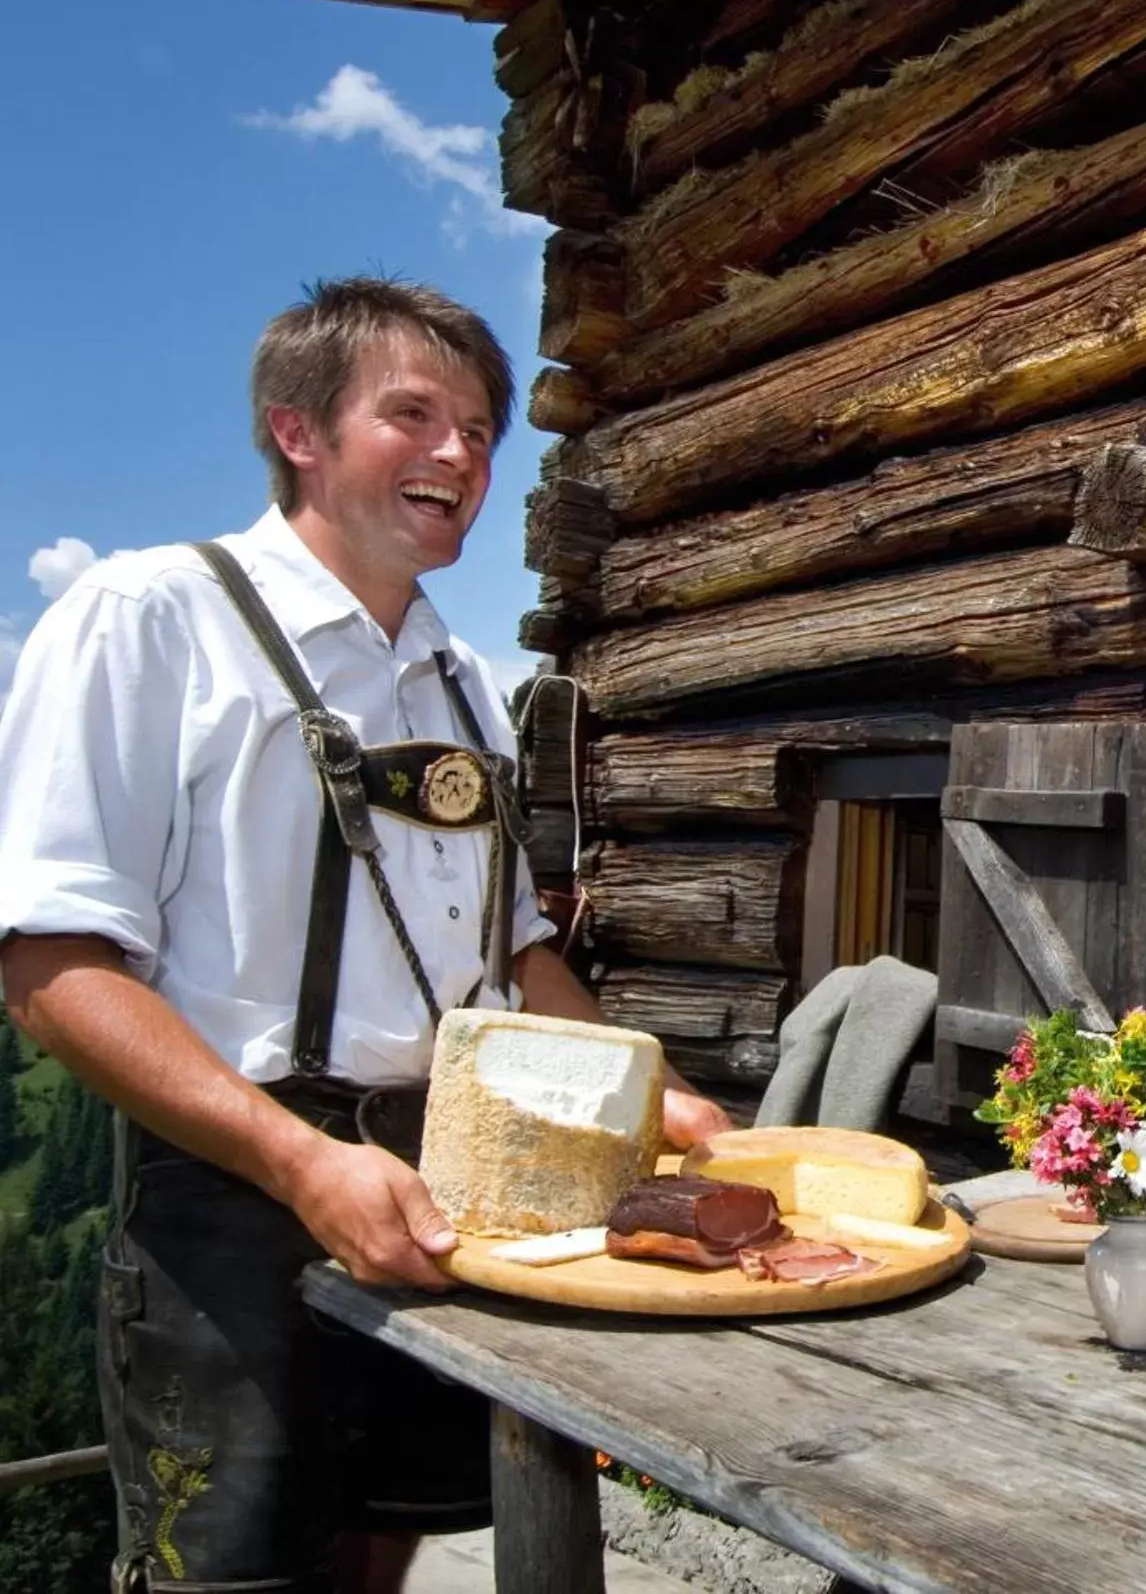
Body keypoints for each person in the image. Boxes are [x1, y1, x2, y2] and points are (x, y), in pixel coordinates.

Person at [0, 277, 733, 1593]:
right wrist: (296, 1160)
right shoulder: (153, 615)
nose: (460, 452)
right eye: (414, 413)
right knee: (231, 1576)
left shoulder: (466, 686)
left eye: (478, 425)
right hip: (233, 1195)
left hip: (452, 1185)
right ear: (297, 430)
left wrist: (663, 1095)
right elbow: (51, 966)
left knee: (381, 1544)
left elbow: (517, 960)